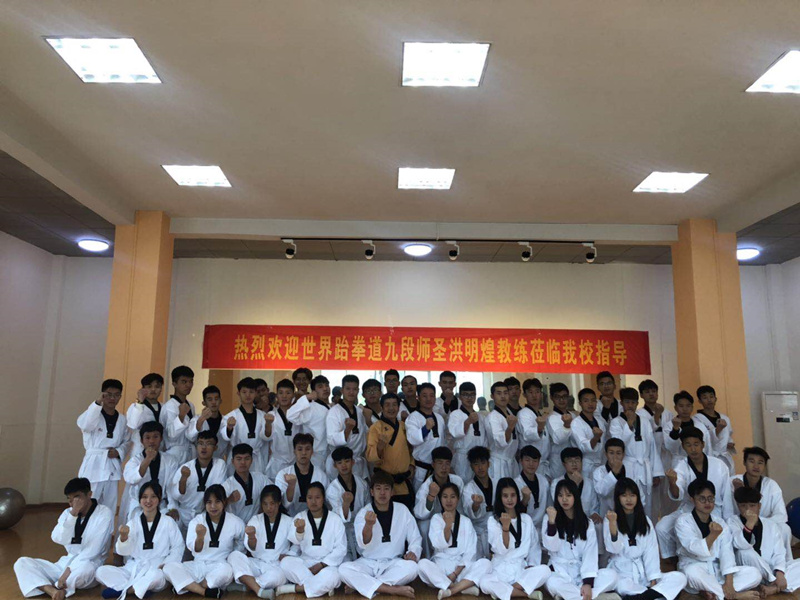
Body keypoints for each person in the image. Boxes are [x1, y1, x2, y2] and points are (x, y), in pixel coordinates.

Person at [14, 477, 114, 600]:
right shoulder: (68, 513)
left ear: (89, 494)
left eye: (77, 498)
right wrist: (73, 515)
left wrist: (68, 571)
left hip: (89, 564)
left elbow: (94, 550)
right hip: (65, 562)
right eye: (70, 500)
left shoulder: (104, 513)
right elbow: (57, 538)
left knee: (84, 570)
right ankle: (51, 590)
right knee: (22, 562)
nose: (73, 503)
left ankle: (58, 586)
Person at [338, 470, 422, 599]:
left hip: (393, 562)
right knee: (343, 569)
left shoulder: (402, 510)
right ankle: (391, 589)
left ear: (392, 492)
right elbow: (362, 543)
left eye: (386, 489)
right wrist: (368, 525)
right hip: (368, 563)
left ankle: (363, 584)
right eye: (378, 488)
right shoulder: (364, 513)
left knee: (413, 568)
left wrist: (413, 552)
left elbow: (415, 537)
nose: (382, 493)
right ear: (372, 492)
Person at [95, 482, 184, 599]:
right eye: (145, 497)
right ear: (140, 500)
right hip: (135, 567)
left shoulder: (168, 522)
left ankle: (126, 590)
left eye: (153, 497)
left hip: (157, 567)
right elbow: (124, 552)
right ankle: (140, 588)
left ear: (159, 499)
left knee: (156, 577)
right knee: (100, 571)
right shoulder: (133, 523)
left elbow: (178, 547)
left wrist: (165, 564)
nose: (148, 501)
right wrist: (123, 538)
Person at [656, 428, 734, 561]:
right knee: (662, 527)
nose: (693, 449)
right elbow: (677, 494)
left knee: (723, 534)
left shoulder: (719, 465)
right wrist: (672, 482)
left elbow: (726, 495)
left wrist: (728, 518)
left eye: (696, 444)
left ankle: (718, 559)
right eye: (688, 445)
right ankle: (671, 559)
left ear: (703, 444)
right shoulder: (681, 466)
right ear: (683, 446)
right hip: (689, 510)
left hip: (714, 509)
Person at [675, 480, 761, 600]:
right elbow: (693, 548)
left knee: (754, 574)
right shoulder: (683, 521)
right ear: (692, 500)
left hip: (717, 569)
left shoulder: (720, 522)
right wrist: (713, 535)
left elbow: (726, 551)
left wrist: (729, 582)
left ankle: (716, 593)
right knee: (690, 573)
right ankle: (735, 595)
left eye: (711, 498)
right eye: (702, 499)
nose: (707, 503)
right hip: (695, 566)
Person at [603, 478, 686, 600]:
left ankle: (643, 597)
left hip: (643, 573)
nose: (629, 499)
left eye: (632, 495)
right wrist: (613, 524)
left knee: (679, 578)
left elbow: (651, 550)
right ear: (618, 498)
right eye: (624, 495)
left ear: (637, 497)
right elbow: (613, 549)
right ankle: (653, 595)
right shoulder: (610, 519)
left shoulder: (645, 520)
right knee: (622, 586)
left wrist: (653, 579)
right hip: (622, 573)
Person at [163, 485, 245, 598]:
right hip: (198, 565)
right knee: (169, 567)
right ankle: (204, 591)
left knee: (228, 570)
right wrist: (200, 537)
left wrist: (231, 556)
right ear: (205, 504)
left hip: (219, 566)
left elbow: (241, 542)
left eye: (217, 501)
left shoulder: (235, 522)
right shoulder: (196, 521)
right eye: (209, 502)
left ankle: (189, 586)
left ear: (224, 502)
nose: (213, 506)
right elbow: (194, 549)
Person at [543, 479, 619, 600]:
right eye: (560, 495)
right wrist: (552, 522)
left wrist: (587, 583)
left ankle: (575, 595)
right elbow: (552, 547)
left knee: (612, 575)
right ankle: (586, 596)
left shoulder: (587, 523)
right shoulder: (549, 518)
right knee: (551, 582)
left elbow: (590, 553)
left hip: (580, 573)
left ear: (575, 497)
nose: (564, 499)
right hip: (560, 571)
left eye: (568, 495)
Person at [479, 478, 551, 600]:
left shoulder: (526, 519)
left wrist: (531, 565)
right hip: (500, 569)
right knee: (484, 582)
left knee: (545, 570)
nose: (509, 499)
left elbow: (534, 546)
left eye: (513, 495)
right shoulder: (493, 520)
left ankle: (506, 590)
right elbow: (501, 550)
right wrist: (505, 528)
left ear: (517, 496)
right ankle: (526, 594)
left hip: (520, 569)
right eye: (505, 496)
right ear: (500, 498)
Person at [418, 482, 491, 599]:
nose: (449, 501)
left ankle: (450, 590)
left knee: (485, 563)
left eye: (452, 497)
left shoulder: (466, 521)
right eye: (445, 497)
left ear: (458, 499)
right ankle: (461, 587)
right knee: (422, 564)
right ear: (440, 499)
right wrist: (447, 526)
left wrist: (455, 573)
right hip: (441, 566)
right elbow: (437, 544)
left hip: (461, 568)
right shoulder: (436, 519)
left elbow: (470, 552)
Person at [278, 482, 347, 597]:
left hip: (327, 564)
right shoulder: (300, 517)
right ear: (306, 499)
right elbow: (294, 541)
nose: (313, 501)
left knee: (334, 575)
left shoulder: (335, 519)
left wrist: (322, 565)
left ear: (323, 499)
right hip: (306, 562)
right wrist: (299, 530)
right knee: (286, 562)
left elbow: (341, 548)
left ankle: (295, 588)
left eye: (317, 497)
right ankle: (321, 586)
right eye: (310, 498)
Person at [727, 486, 800, 595]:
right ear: (738, 506)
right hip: (751, 569)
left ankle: (773, 588)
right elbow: (740, 544)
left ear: (759, 506)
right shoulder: (732, 521)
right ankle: (774, 583)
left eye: (752, 505)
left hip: (770, 569)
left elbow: (779, 553)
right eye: (743, 506)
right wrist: (749, 523)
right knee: (745, 552)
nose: (748, 510)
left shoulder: (771, 525)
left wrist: (779, 573)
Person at [228, 485, 295, 599]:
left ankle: (248, 586)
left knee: (278, 577)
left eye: (272, 503)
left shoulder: (289, 521)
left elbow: (297, 544)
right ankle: (259, 589)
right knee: (234, 556)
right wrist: (251, 538)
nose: (269, 508)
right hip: (257, 564)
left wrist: (289, 555)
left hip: (276, 566)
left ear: (279, 503)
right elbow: (250, 547)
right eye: (265, 504)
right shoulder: (256, 520)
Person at [608, 388, 664, 518]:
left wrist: (656, 473)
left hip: (644, 467)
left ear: (637, 403)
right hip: (627, 467)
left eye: (633, 402)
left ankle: (645, 528)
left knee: (647, 506)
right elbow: (618, 445)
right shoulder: (616, 422)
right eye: (627, 402)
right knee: (627, 501)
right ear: (621, 403)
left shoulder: (644, 421)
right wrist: (629, 424)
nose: (630, 405)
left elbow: (652, 447)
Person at [76, 378, 130, 512]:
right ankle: (84, 526)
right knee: (88, 502)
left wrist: (118, 452)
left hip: (111, 465)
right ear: (102, 394)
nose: (112, 398)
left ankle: (106, 527)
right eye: (109, 394)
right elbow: (85, 425)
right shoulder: (93, 414)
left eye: (116, 395)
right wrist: (97, 403)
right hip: (93, 464)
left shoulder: (122, 419)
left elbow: (127, 441)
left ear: (120, 397)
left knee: (109, 505)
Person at [731, 447, 792, 563]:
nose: (756, 466)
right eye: (751, 461)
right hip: (740, 525)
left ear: (764, 466)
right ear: (744, 462)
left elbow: (781, 515)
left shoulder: (771, 485)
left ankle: (785, 561)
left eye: (760, 462)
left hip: (764, 524)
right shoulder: (733, 481)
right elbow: (728, 510)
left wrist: (760, 522)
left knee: (785, 528)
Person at [122, 422, 180, 522]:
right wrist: (147, 459)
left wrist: (172, 507)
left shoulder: (170, 460)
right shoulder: (134, 461)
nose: (152, 441)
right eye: (147, 438)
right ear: (141, 440)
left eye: (155, 437)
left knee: (172, 521)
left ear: (161, 438)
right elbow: (130, 479)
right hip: (140, 505)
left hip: (161, 505)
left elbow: (171, 486)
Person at [170, 431, 228, 530]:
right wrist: (183, 479)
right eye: (200, 443)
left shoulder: (220, 465)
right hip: (185, 512)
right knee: (170, 523)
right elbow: (175, 495)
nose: (204, 447)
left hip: (207, 512)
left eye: (208, 444)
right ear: (196, 446)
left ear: (215, 448)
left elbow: (219, 491)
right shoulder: (186, 467)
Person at [365, 393, 414, 508]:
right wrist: (379, 447)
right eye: (387, 405)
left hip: (403, 481)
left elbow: (410, 449)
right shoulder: (375, 428)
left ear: (398, 407)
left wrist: (412, 465)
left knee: (404, 514)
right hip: (384, 483)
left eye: (394, 405)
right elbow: (370, 457)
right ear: (381, 407)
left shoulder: (403, 426)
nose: (391, 408)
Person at [414, 447, 465, 557]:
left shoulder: (457, 481)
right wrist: (431, 496)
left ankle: (461, 555)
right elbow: (419, 514)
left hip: (454, 518)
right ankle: (429, 557)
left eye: (447, 463)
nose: (444, 467)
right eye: (440, 463)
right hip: (435, 521)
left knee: (465, 523)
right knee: (423, 526)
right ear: (433, 464)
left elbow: (462, 507)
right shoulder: (426, 486)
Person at [638, 380, 674, 518]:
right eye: (647, 392)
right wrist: (657, 416)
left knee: (669, 498)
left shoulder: (668, 414)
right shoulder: (640, 415)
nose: (651, 394)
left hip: (667, 458)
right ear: (641, 395)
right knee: (653, 502)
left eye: (654, 391)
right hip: (650, 459)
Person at [327, 445, 371, 560]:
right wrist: (345, 504)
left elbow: (369, 507)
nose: (344, 465)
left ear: (353, 462)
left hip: (362, 528)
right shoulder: (332, 489)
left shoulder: (362, 484)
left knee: (367, 559)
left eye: (347, 461)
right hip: (342, 533)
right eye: (339, 463)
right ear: (335, 465)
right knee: (345, 562)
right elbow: (337, 517)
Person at [222, 377, 270, 475]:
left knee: (256, 483)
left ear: (256, 393)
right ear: (238, 393)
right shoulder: (230, 416)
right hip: (238, 458)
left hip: (255, 458)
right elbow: (224, 436)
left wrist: (269, 424)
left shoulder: (262, 415)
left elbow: (266, 437)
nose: (248, 395)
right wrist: (229, 428)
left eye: (251, 392)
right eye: (244, 392)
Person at [276, 433, 330, 517]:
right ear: (294, 451)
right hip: (289, 519)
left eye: (307, 449)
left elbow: (326, 503)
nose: (304, 453)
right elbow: (282, 505)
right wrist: (291, 486)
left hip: (315, 518)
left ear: (312, 451)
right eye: (300, 449)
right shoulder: (283, 474)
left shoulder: (321, 476)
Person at [326, 374, 369, 479]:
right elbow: (332, 439)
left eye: (354, 389)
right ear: (342, 390)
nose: (351, 392)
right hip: (341, 463)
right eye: (348, 389)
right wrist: (347, 430)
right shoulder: (334, 412)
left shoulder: (359, 412)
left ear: (358, 391)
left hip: (358, 461)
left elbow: (364, 436)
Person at [406, 382, 447, 488]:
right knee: (420, 496)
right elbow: (412, 439)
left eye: (431, 395)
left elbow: (443, 441)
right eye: (424, 396)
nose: (428, 399)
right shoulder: (413, 417)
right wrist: (425, 429)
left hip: (438, 468)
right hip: (421, 469)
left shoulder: (439, 418)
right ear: (418, 398)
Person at [287, 376, 331, 470]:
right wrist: (306, 397)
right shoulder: (310, 407)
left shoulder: (333, 408)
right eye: (320, 386)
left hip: (329, 454)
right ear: (314, 391)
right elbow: (290, 415)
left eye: (327, 385)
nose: (325, 389)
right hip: (315, 455)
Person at [549, 448, 600, 527]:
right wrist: (574, 485)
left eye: (577, 460)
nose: (574, 464)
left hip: (586, 521)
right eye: (570, 461)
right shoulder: (556, 483)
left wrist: (595, 513)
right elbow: (560, 504)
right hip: (565, 521)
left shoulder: (589, 482)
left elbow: (594, 506)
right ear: (564, 464)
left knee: (598, 524)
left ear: (581, 462)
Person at [513, 445, 549, 558]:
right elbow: (514, 512)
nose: (531, 464)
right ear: (521, 461)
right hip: (523, 529)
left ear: (539, 462)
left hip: (541, 528)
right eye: (527, 460)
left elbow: (549, 506)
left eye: (535, 461)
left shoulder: (543, 481)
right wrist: (525, 500)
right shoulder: (516, 483)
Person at [663, 391, 712, 467]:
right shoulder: (669, 426)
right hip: (679, 463)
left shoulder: (700, 426)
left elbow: (708, 447)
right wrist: (675, 429)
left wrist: (710, 463)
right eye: (681, 406)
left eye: (688, 406)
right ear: (675, 408)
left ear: (692, 407)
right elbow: (671, 448)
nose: (685, 409)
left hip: (700, 462)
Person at [222, 443, 270, 523]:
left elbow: (275, 493)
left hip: (257, 524)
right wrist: (229, 500)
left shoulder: (261, 478)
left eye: (247, 458)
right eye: (239, 459)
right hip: (235, 526)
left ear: (252, 460)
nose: (243, 462)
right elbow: (216, 508)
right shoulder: (227, 485)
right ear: (232, 461)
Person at [462, 446, 495, 558]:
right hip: (478, 532)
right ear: (471, 467)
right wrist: (475, 505)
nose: (480, 467)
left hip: (496, 531)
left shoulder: (497, 483)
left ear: (488, 464)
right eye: (476, 464)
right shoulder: (468, 488)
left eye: (483, 463)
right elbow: (469, 509)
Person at [695, 385, 735, 475]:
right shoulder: (697, 420)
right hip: (709, 456)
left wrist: (730, 443)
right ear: (700, 401)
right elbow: (702, 440)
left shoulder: (725, 418)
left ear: (715, 399)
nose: (709, 400)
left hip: (724, 458)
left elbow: (729, 436)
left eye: (711, 396)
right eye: (705, 398)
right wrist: (718, 429)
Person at [449, 382, 484, 482]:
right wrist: (468, 422)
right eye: (466, 395)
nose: (469, 398)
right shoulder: (455, 414)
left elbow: (484, 439)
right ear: (460, 397)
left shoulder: (480, 416)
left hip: (478, 459)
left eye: (472, 395)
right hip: (462, 458)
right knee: (461, 484)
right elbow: (455, 433)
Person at [592, 438, 637, 517]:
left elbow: (638, 494)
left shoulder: (631, 470)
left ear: (623, 454)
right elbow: (601, 491)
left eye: (618, 453)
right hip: (606, 515)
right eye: (611, 453)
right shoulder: (599, 471)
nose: (615, 457)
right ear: (606, 454)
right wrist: (614, 473)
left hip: (629, 513)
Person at [266, 378, 301, 480]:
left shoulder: (299, 415)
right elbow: (266, 436)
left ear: (293, 396)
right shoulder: (271, 415)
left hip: (295, 461)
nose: (284, 396)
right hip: (277, 463)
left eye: (288, 393)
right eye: (281, 393)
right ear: (276, 395)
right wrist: (268, 424)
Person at [127, 373, 168, 457]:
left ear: (161, 389)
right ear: (143, 389)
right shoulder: (135, 406)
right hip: (140, 450)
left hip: (159, 449)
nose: (153, 389)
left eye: (157, 387)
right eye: (149, 386)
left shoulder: (164, 407)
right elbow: (133, 424)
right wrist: (140, 401)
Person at [570, 388, 608, 477]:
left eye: (593, 400)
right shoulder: (576, 423)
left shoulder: (600, 422)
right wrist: (596, 438)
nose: (590, 404)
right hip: (585, 465)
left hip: (601, 463)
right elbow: (583, 446)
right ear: (580, 403)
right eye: (586, 401)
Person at [485, 381, 519, 480]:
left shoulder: (509, 413)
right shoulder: (493, 417)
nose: (503, 396)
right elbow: (500, 442)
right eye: (499, 393)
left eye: (505, 393)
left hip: (511, 460)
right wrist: (510, 428)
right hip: (498, 462)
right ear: (492, 396)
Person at [162, 365, 196, 465]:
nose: (188, 385)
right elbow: (171, 435)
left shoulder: (191, 405)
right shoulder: (169, 406)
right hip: (174, 453)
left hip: (190, 452)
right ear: (174, 383)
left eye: (191, 381)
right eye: (184, 382)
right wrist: (181, 416)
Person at [517, 379, 551, 478]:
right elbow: (528, 434)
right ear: (524, 394)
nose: (534, 395)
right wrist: (539, 428)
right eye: (530, 392)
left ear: (541, 394)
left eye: (537, 391)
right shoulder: (524, 414)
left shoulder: (539, 414)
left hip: (541, 463)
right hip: (530, 463)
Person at [187, 386, 228, 461]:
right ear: (204, 403)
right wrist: (201, 420)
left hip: (219, 461)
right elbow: (190, 437)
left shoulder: (226, 420)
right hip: (200, 461)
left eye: (216, 399)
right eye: (210, 399)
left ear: (220, 401)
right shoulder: (197, 419)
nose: (213, 402)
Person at [546, 382, 575, 479]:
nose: (561, 400)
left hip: (574, 459)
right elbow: (558, 439)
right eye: (557, 397)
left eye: (564, 396)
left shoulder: (573, 415)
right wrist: (566, 425)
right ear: (551, 398)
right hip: (558, 461)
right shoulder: (552, 418)